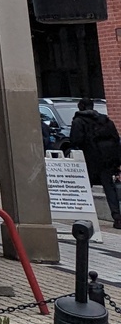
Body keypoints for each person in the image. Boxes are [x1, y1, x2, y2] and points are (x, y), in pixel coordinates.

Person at [64, 97, 121, 229]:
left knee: (84, 188)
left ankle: (82, 215)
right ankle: (117, 217)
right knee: (109, 187)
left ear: (81, 107)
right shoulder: (106, 120)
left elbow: (75, 140)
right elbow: (116, 140)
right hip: (107, 160)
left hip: (89, 159)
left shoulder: (78, 121)